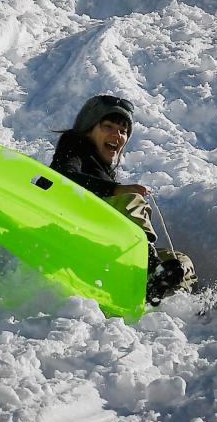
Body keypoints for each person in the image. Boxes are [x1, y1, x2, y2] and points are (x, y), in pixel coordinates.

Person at [50, 94, 197, 305]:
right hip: (77, 231)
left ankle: (170, 300)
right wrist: (116, 190)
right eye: (108, 127)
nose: (117, 135)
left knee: (181, 261)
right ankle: (149, 263)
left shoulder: (105, 170)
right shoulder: (74, 145)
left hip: (111, 243)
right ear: (89, 128)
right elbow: (63, 176)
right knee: (130, 200)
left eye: (123, 131)